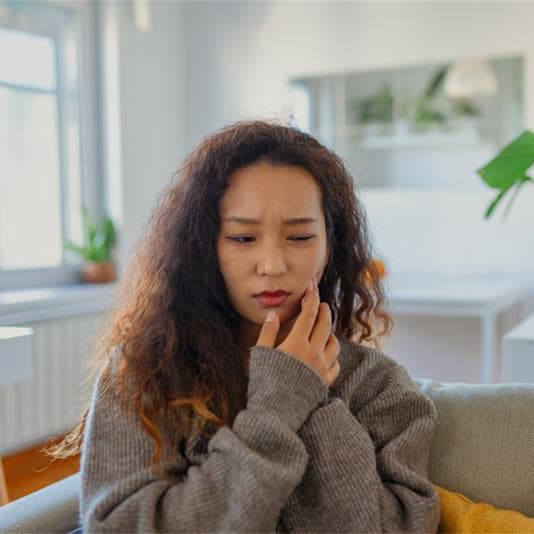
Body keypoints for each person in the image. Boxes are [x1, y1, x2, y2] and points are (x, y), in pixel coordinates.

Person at [53, 119, 440, 532]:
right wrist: (279, 405)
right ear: (204, 247)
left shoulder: (379, 386)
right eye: (242, 239)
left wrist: (311, 397)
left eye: (299, 238)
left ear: (331, 245)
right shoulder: (145, 372)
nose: (272, 265)